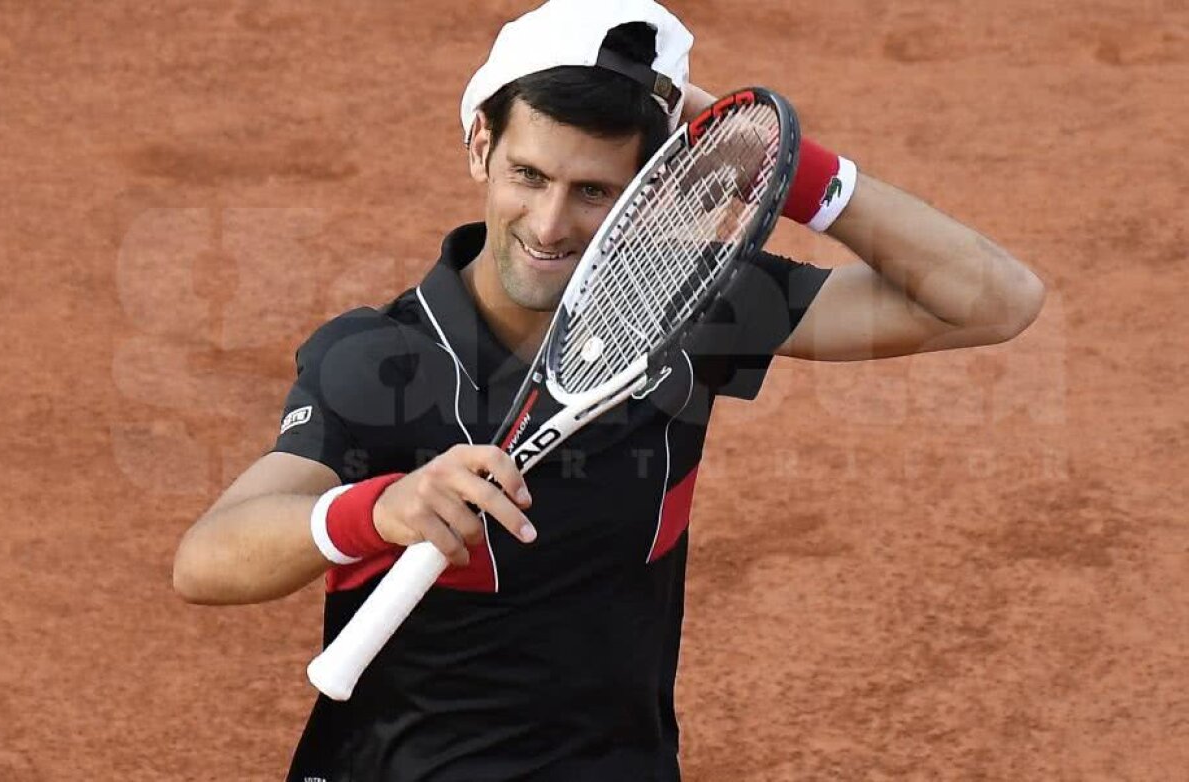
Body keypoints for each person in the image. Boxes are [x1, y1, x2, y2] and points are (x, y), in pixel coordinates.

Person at [172, 1, 1046, 779]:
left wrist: (779, 166)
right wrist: (377, 511)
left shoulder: (691, 308)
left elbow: (994, 302)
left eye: (596, 191)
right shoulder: (374, 356)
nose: (550, 226)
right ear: (481, 144)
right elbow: (207, 560)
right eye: (529, 176)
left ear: (651, 191)